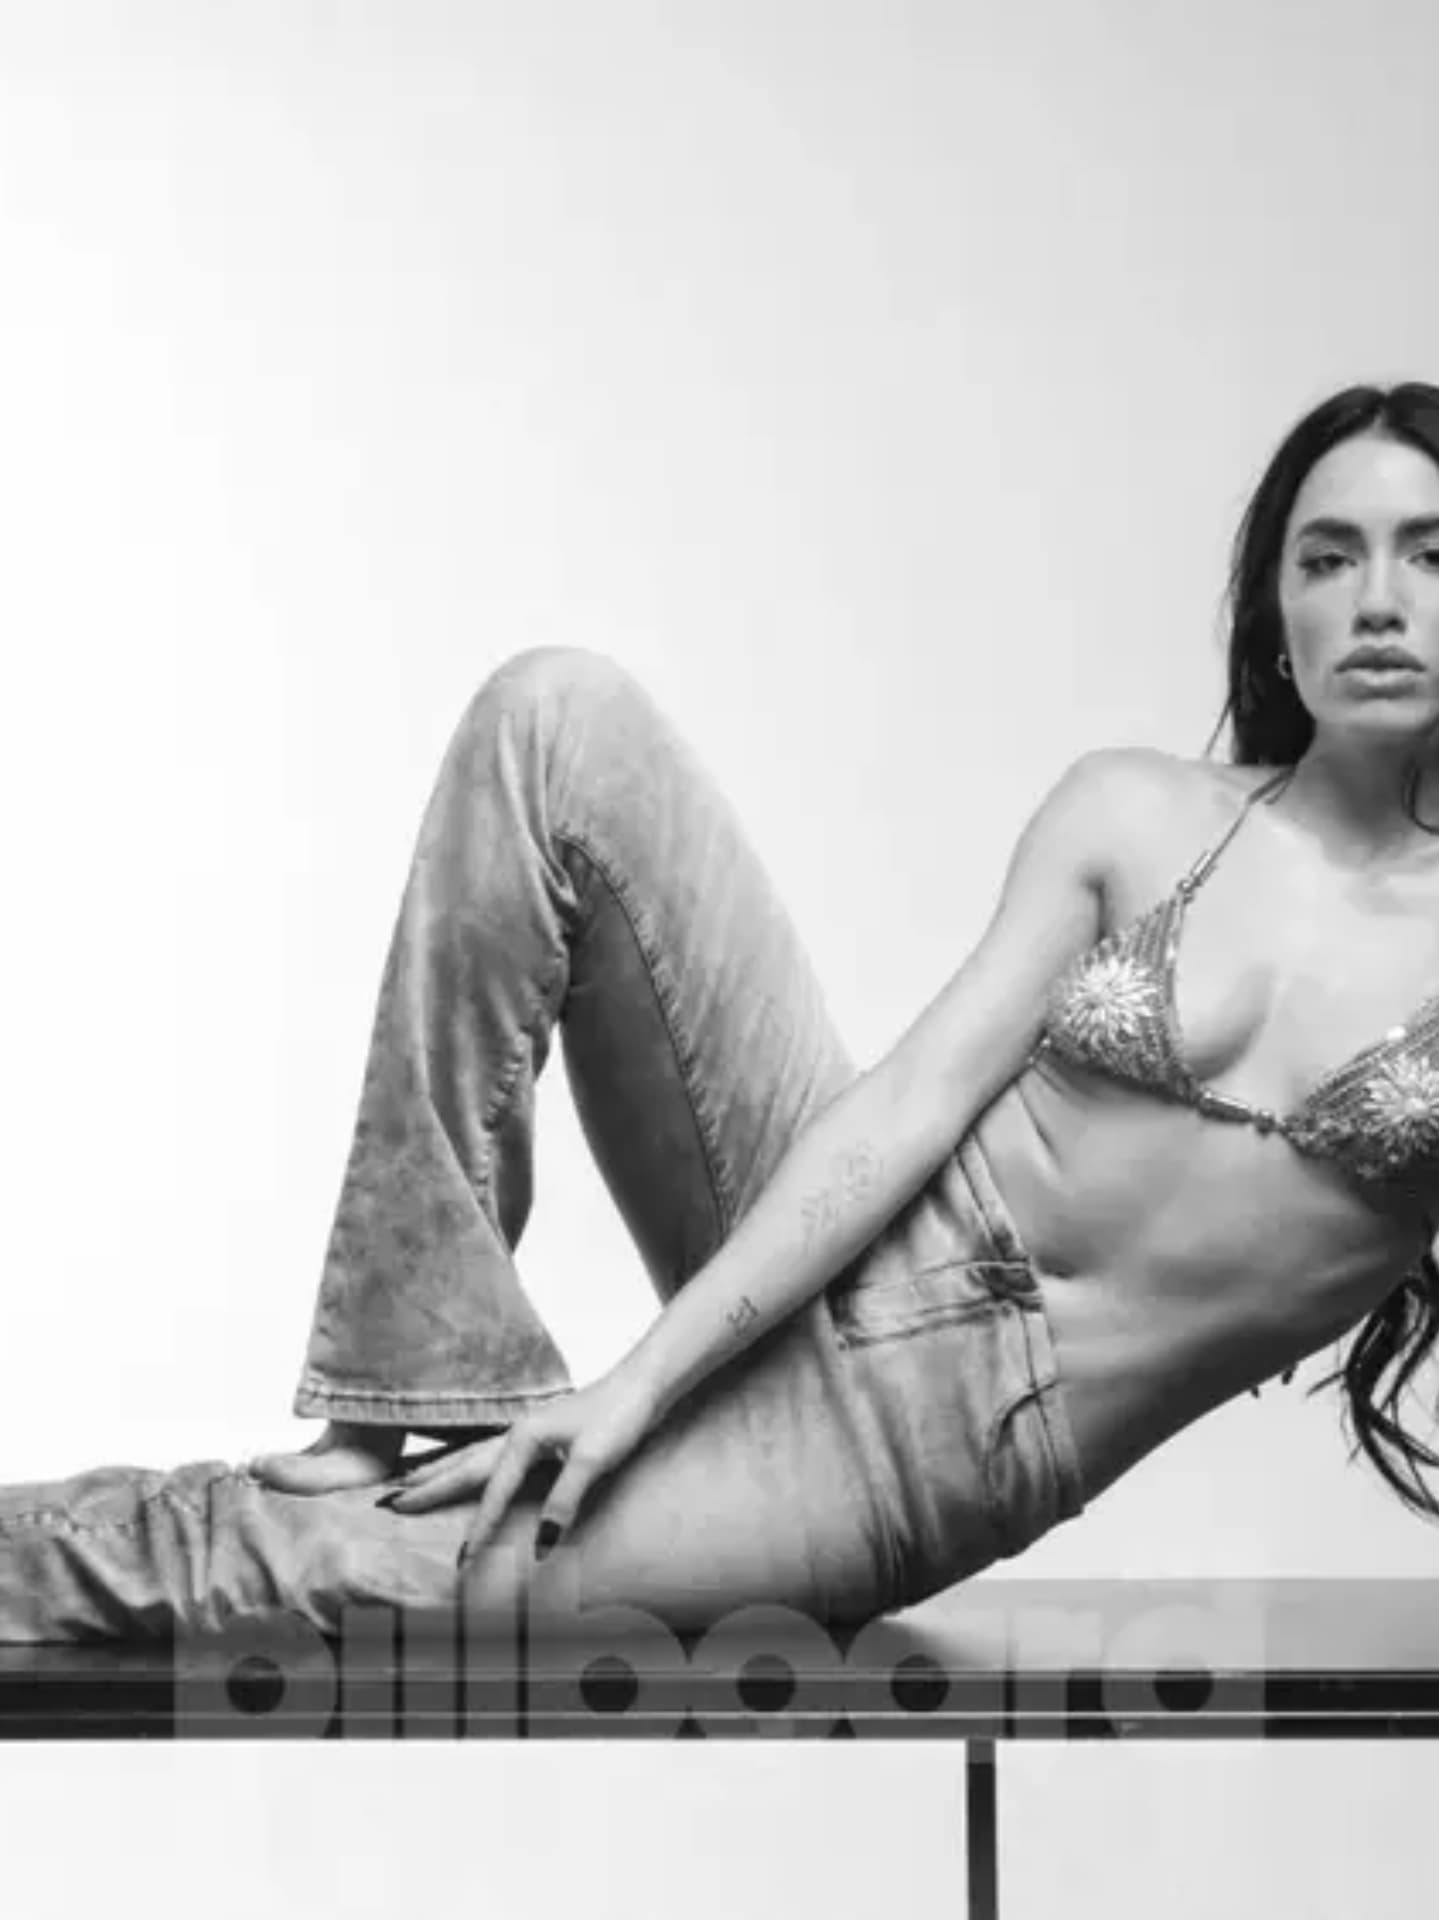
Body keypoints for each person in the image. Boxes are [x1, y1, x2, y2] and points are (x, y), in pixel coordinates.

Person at [2, 380, 1438, 1645]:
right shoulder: (1138, 810)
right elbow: (909, 1106)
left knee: (270, 1561)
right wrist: (636, 1387)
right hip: (842, 1218)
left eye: (1431, 554)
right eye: (1330, 556)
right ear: (1277, 606)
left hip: (909, 1458)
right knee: (556, 716)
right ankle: (404, 1377)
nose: (1378, 600)